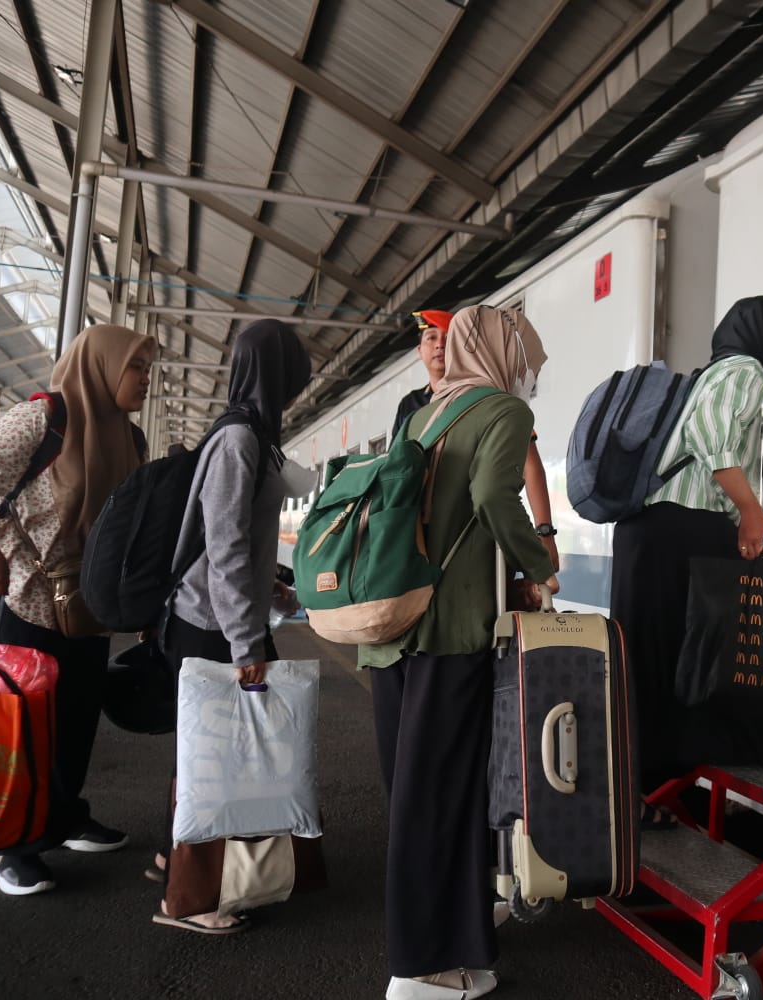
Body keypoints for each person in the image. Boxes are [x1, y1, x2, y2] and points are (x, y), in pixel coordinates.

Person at [360, 305, 558, 1000]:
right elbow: (492, 497)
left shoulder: (426, 414)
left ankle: (460, 942)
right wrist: (537, 566)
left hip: (396, 631)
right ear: (501, 352)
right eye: (524, 354)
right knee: (441, 798)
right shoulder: (501, 410)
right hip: (449, 632)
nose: (528, 370)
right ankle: (422, 967)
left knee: (423, 794)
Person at [0, 324, 157, 894]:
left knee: (77, 715)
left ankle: (62, 816)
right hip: (20, 596)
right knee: (16, 725)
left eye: (149, 369)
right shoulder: (41, 419)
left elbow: (126, 527)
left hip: (88, 602)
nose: (146, 380)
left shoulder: (131, 441)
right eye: (137, 367)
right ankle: (7, 845)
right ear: (103, 366)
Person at [610, 296, 763, 824]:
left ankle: (640, 795)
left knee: (650, 666)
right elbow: (710, 435)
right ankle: (662, 786)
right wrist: (750, 510)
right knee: (693, 659)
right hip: (681, 529)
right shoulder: (743, 370)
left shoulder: (712, 373)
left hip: (650, 533)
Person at [152, 319, 313, 934]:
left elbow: (238, 545)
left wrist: (268, 587)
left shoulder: (249, 435)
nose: (300, 385)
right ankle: (190, 899)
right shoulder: (240, 440)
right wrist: (247, 641)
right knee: (215, 761)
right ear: (278, 375)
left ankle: (178, 863)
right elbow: (222, 546)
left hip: (224, 617)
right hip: (211, 625)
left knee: (208, 757)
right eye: (296, 374)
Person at [394, 308, 559, 573]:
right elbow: (490, 496)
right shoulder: (507, 409)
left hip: (413, 577)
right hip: (472, 576)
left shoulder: (417, 418)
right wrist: (538, 562)